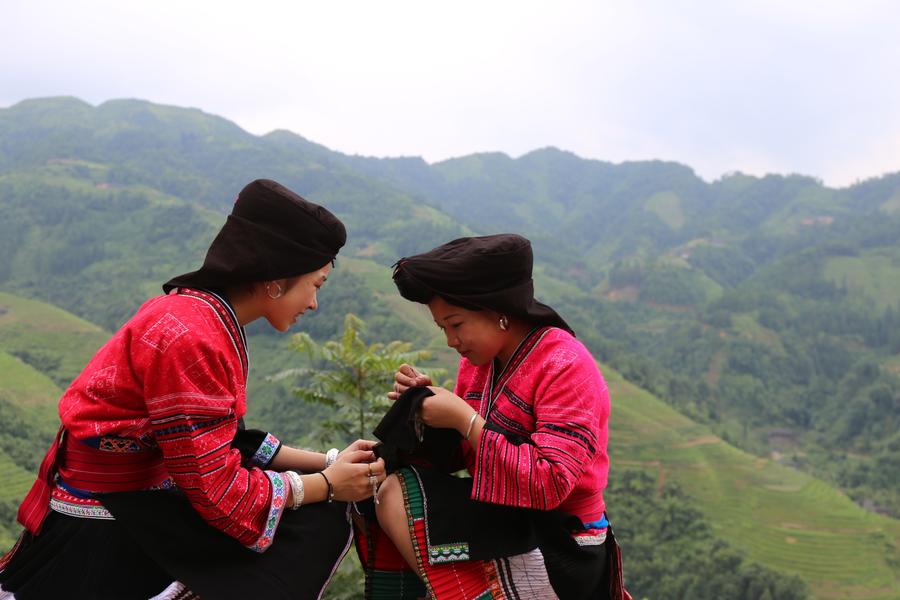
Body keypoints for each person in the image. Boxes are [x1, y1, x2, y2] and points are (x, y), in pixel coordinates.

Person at [0, 179, 387, 600]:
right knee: (316, 520)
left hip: (139, 497)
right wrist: (329, 484)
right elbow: (215, 489)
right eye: (317, 284)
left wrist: (329, 463)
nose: (313, 303)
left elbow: (225, 438)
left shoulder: (201, 316)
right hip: (113, 522)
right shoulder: (192, 337)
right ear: (276, 281)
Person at [357, 234, 628, 600]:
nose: (451, 341)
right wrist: (427, 410)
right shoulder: (478, 365)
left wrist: (465, 420)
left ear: (499, 312)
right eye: (443, 328)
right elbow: (465, 457)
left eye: (456, 324)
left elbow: (551, 482)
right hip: (507, 517)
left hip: (563, 540)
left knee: (396, 495)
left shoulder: (565, 365)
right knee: (379, 482)